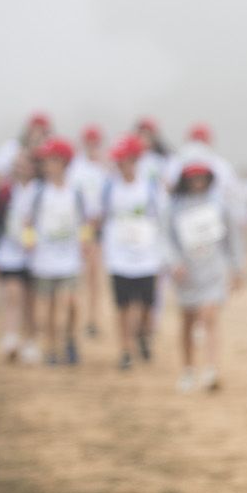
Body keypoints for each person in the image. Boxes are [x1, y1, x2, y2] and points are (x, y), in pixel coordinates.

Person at [162, 157, 241, 392]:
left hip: (213, 270)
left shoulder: (218, 205)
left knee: (209, 316)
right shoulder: (175, 207)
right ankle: (188, 369)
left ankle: (211, 368)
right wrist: (173, 262)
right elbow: (165, 238)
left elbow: (231, 238)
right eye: (193, 178)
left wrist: (236, 267)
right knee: (187, 321)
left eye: (201, 178)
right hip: (186, 274)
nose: (197, 182)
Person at [98, 133, 164, 370]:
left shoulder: (149, 187)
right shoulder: (109, 188)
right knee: (123, 306)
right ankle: (125, 350)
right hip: (119, 257)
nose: (120, 165)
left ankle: (144, 334)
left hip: (146, 257)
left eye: (124, 160)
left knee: (147, 304)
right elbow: (100, 216)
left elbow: (161, 217)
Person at [23, 137, 89, 366]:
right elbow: (28, 222)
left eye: (51, 160)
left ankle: (70, 338)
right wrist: (29, 241)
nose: (46, 165)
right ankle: (51, 347)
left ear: (63, 162)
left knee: (71, 302)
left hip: (70, 257)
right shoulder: (39, 193)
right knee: (49, 305)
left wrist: (85, 244)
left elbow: (84, 223)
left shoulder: (74, 193)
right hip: (45, 258)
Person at [0, 152, 40, 363]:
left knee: (30, 299)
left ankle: (30, 341)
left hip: (34, 254)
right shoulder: (6, 191)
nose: (21, 169)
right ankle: (10, 336)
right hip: (9, 252)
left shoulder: (39, 191)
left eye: (25, 165)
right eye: (17, 165)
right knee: (12, 293)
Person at [68, 124, 110, 338]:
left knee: (95, 277)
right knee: (79, 275)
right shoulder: (76, 168)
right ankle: (77, 317)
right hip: (81, 226)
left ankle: (93, 319)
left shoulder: (105, 168)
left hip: (98, 227)